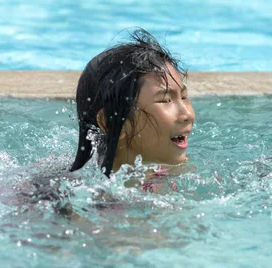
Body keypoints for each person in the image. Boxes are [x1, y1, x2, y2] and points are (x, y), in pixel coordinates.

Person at [70, 29, 195, 178]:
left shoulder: (179, 177)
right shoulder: (71, 195)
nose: (187, 115)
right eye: (165, 100)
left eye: (184, 97)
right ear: (109, 121)